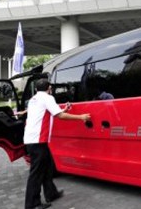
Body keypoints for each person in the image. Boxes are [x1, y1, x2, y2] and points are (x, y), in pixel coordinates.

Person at [24, 79, 91, 209]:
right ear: (49, 88)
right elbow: (60, 116)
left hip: (32, 140)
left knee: (48, 167)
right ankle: (32, 204)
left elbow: (50, 112)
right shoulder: (48, 98)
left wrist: (64, 108)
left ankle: (51, 193)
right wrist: (81, 117)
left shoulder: (34, 99)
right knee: (36, 174)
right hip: (38, 141)